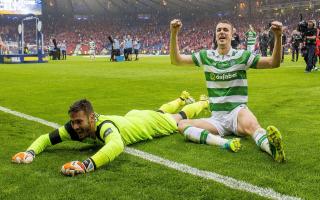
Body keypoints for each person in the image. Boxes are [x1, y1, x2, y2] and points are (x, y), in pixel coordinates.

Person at [12, 92, 240, 176]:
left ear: (92, 118)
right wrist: (30, 152)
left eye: (79, 122)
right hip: (132, 118)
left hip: (146, 124)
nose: (76, 127)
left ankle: (200, 102)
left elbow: (115, 145)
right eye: (73, 122)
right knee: (160, 111)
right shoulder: (74, 127)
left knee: (176, 118)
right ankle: (182, 97)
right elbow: (47, 138)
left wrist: (87, 164)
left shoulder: (104, 126)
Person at [170, 19, 285, 163]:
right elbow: (176, 60)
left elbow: (273, 63)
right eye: (219, 30)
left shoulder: (242, 56)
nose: (222, 32)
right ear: (215, 35)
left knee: (253, 126)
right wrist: (174, 33)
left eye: (225, 30)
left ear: (232, 35)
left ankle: (272, 149)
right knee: (182, 125)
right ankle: (223, 143)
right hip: (217, 119)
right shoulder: (206, 56)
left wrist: (278, 36)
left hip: (237, 112)